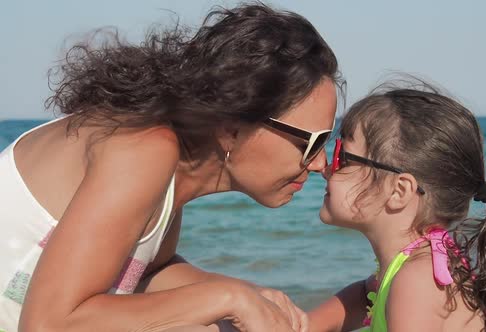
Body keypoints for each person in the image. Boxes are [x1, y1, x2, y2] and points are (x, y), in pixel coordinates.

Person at [0, 3, 341, 332]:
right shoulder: (143, 148)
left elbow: (146, 273)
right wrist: (231, 298)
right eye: (311, 142)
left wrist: (252, 296)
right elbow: (49, 324)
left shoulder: (172, 167)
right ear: (231, 128)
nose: (318, 164)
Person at [307, 83, 486, 332]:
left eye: (342, 157)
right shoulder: (415, 264)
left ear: (399, 191)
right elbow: (364, 295)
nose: (327, 168)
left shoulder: (416, 281)